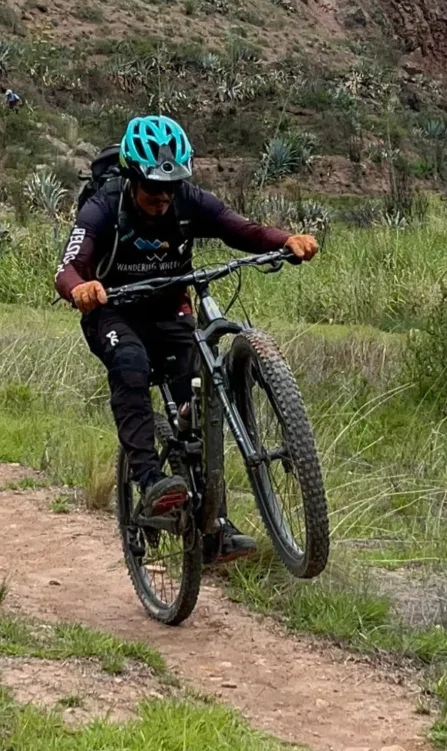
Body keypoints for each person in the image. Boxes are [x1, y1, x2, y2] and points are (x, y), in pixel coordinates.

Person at [55, 115, 317, 561]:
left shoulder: (186, 200)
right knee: (132, 366)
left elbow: (239, 228)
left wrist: (285, 240)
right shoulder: (103, 206)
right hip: (113, 311)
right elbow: (69, 265)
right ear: (133, 176)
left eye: (171, 188)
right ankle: (149, 480)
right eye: (153, 188)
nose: (162, 198)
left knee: (199, 400)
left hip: (170, 309)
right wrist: (80, 288)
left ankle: (215, 528)